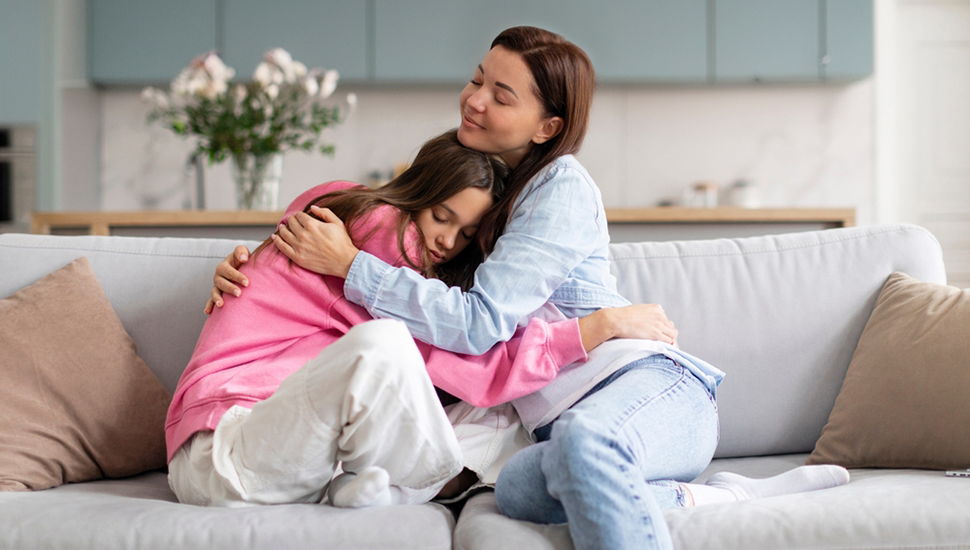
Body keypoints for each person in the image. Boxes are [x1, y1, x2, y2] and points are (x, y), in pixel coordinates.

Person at [209, 27, 849, 549]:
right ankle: (712, 499)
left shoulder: (560, 188)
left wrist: (351, 266)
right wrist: (256, 270)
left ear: (547, 127)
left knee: (582, 444)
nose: (475, 99)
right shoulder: (478, 198)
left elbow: (477, 323)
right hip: (556, 431)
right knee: (513, 491)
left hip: (647, 391)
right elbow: (389, 287)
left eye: (502, 95)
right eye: (477, 78)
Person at [169, 129, 677, 510]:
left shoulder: (373, 244)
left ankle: (372, 485)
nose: (446, 242)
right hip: (227, 445)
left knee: (498, 416)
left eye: (465, 234)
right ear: (418, 191)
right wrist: (598, 326)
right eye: (441, 216)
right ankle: (421, 481)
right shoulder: (373, 233)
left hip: (286, 453)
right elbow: (474, 364)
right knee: (388, 346)